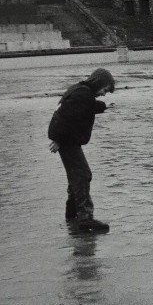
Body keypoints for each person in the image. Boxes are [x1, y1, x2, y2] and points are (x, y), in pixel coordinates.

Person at [48, 68, 116, 233]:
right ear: (98, 83)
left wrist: (105, 107)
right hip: (67, 141)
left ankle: (72, 214)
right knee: (83, 175)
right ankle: (85, 218)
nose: (104, 94)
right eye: (105, 90)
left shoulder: (80, 91)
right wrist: (58, 139)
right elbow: (64, 116)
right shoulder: (83, 94)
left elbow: (88, 107)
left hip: (67, 140)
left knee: (76, 176)